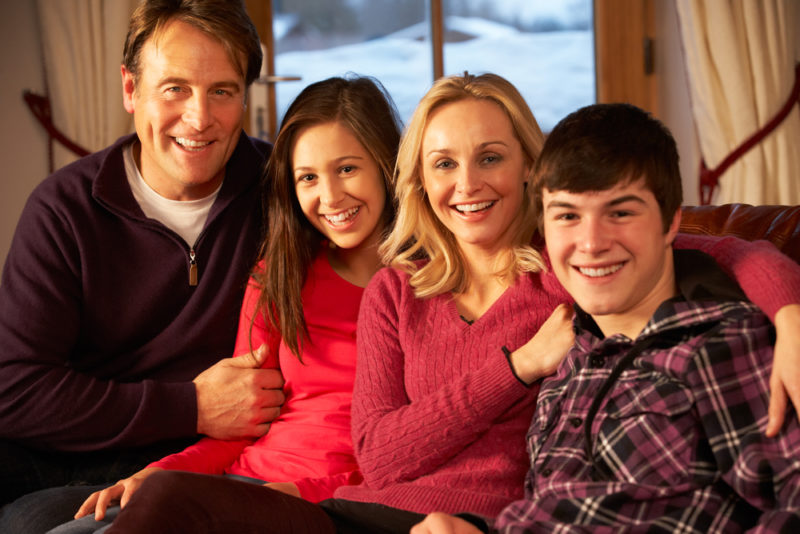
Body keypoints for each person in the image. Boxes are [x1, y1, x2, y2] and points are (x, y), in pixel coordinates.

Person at [101, 73, 800, 534]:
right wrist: (514, 368)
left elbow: (730, 249)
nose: (467, 183)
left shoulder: (569, 265)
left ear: (529, 165)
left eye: (491, 157)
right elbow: (378, 457)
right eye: (443, 163)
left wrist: (793, 316)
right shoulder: (396, 291)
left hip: (477, 525)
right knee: (165, 503)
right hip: (359, 513)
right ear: (420, 178)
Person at [411, 102, 800, 534]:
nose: (591, 243)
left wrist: (789, 313)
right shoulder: (570, 359)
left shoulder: (720, 347)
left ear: (671, 223)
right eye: (567, 216)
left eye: (620, 213)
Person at [42, 74, 402, 534]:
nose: (329, 197)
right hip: (238, 485)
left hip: (332, 505)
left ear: (386, 165)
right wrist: (156, 473)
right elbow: (238, 431)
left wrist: (311, 491)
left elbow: (421, 449)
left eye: (347, 169)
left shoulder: (427, 286)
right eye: (308, 177)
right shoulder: (278, 274)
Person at [0, 0, 283, 521]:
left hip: (216, 460)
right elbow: (15, 392)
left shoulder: (286, 190)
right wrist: (191, 405)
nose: (199, 118)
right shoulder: (63, 208)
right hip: (75, 457)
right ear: (131, 89)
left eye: (221, 91)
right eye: (174, 88)